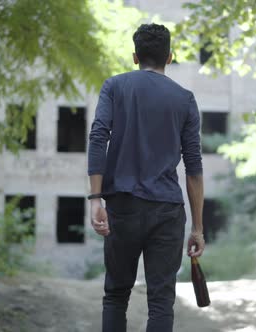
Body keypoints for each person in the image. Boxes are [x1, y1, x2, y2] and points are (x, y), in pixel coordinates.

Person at [87, 23, 205, 332]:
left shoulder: (114, 86)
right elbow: (193, 167)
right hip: (166, 211)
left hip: (122, 207)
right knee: (161, 301)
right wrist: (198, 228)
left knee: (115, 294)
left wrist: (95, 198)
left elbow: (98, 138)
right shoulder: (185, 99)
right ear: (170, 57)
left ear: (135, 57)